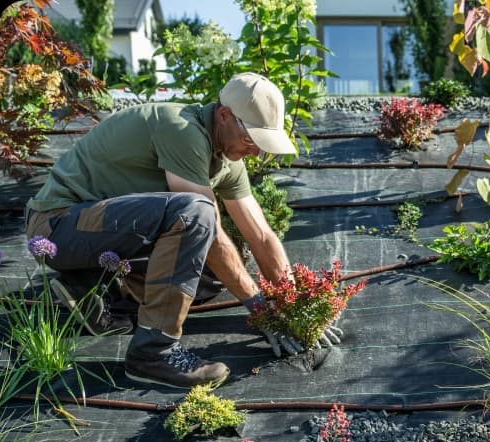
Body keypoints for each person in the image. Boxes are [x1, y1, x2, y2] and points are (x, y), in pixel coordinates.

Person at [24, 72, 338, 389]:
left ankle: (93, 287)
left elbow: (261, 235)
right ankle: (153, 353)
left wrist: (293, 305)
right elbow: (208, 229)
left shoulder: (228, 160)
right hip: (58, 225)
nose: (256, 152)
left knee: (215, 272)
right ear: (225, 115)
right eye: (251, 140)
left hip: (102, 237)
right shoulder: (182, 129)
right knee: (198, 213)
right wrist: (260, 309)